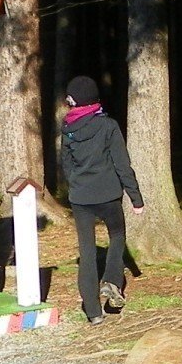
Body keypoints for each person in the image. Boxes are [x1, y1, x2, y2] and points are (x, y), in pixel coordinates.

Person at [57, 75, 144, 325]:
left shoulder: (68, 128)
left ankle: (93, 312)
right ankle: (112, 281)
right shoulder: (108, 126)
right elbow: (122, 164)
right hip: (108, 194)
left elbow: (67, 164)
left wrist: (76, 185)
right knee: (117, 236)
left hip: (80, 197)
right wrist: (136, 198)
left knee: (87, 253)